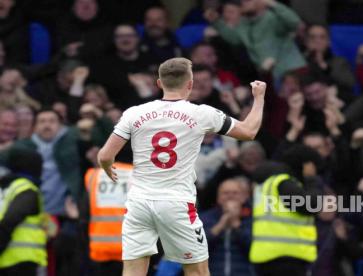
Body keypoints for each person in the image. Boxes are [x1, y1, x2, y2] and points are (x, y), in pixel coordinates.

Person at [97, 57, 267, 276]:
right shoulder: (202, 113)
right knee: (197, 271)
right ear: (190, 84)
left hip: (138, 203)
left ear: (159, 84)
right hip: (176, 203)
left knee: (132, 271)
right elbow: (249, 131)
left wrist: (108, 167)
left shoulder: (134, 113)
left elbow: (105, 155)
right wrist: (259, 97)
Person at [249, 145, 321, 276]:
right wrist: (312, 180)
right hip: (286, 258)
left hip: (268, 256)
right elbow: (312, 206)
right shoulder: (284, 183)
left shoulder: (266, 184)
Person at [205, 0, 306, 80]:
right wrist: (216, 21)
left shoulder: (272, 17)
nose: (243, 2)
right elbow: (234, 39)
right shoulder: (244, 23)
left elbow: (294, 23)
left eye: (248, 0)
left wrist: (272, 3)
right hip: (268, 75)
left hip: (291, 71)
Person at [0, 148, 47, 275]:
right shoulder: (27, 189)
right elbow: (9, 220)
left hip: (9, 261)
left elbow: (46, 226)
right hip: (21, 262)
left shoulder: (7, 188)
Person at [82, 162, 133, 276]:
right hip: (132, 250)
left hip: (100, 248)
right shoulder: (140, 175)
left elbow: (84, 217)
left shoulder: (94, 175)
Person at [200, 178, 254, 276]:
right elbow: (197, 248)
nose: (230, 196)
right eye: (225, 193)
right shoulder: (204, 218)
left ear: (244, 197)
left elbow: (255, 249)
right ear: (218, 198)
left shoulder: (253, 219)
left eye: (235, 193)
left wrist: (236, 224)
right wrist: (221, 225)